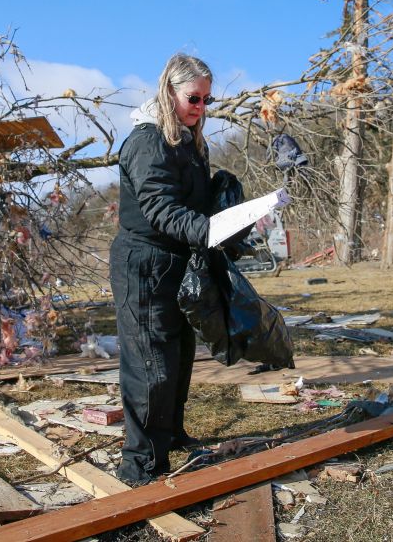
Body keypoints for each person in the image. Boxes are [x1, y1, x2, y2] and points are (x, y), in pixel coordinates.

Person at [109, 53, 215, 485]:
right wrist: (210, 231)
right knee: (150, 362)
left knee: (178, 355)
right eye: (194, 97)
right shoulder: (147, 141)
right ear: (169, 90)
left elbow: (190, 198)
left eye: (208, 100)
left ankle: (168, 437)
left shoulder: (187, 141)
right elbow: (160, 208)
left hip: (175, 262)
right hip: (143, 263)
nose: (201, 107)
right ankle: (141, 465)